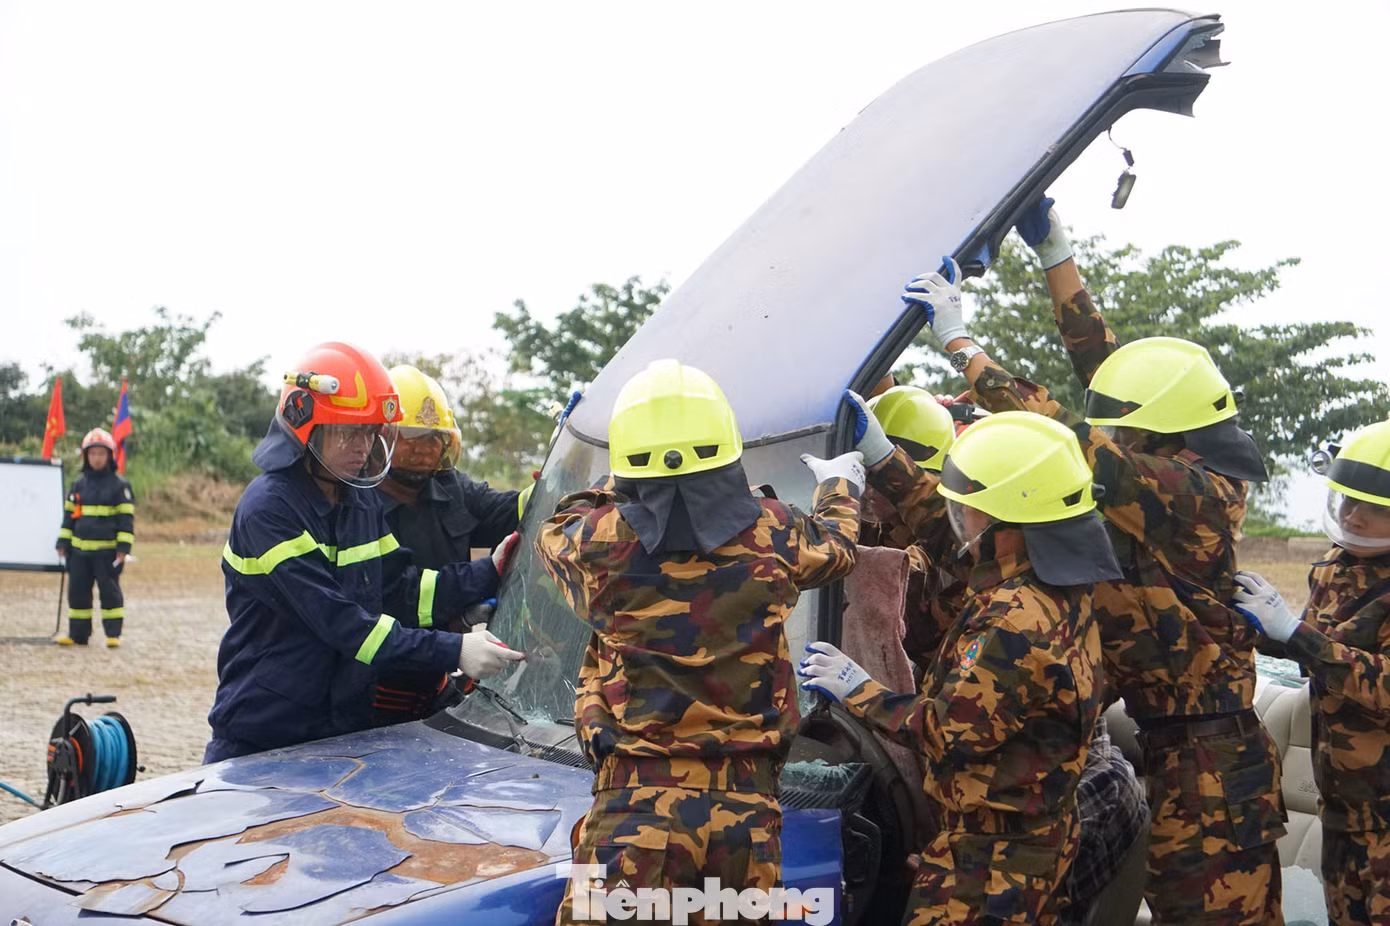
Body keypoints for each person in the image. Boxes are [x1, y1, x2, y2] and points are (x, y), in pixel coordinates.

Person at [902, 196, 1286, 923]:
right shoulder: (1167, 460)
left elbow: (1072, 439)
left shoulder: (1193, 492)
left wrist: (964, 345)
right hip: (1178, 748)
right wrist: (1055, 257)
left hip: (1209, 765)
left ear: (1158, 438)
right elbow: (1110, 376)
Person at [534, 358, 862, 925]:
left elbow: (555, 526)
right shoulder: (776, 530)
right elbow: (837, 546)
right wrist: (838, 482)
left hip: (632, 811)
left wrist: (611, 471)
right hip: (747, 815)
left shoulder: (595, 540)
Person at [800, 408, 1120, 925]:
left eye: (971, 511)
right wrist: (885, 458)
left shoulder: (1013, 618)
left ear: (1008, 525)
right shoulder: (1059, 586)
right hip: (1023, 846)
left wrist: (859, 689)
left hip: (990, 864)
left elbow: (949, 732)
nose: (960, 521)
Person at [205, 342, 524, 763]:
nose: (363, 447)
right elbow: (345, 625)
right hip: (265, 736)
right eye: (348, 431)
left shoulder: (356, 497)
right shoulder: (269, 510)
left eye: (372, 432)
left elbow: (401, 591)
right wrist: (454, 650)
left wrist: (488, 572)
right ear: (305, 425)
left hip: (344, 729)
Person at [1233, 419, 1390, 925]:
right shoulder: (1334, 566)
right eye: (1347, 498)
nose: (1353, 515)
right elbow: (1314, 654)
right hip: (1343, 805)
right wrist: (1259, 623)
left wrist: (1295, 634)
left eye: (1374, 506)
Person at [370, 363, 526, 723]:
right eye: (411, 437)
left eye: (434, 438)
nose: (425, 449)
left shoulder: (450, 487)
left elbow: (510, 510)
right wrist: (485, 575)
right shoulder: (357, 506)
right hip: (373, 691)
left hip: (437, 681)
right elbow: (399, 596)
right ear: (382, 438)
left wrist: (558, 477)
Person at [54, 427, 135, 647]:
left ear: (110, 456)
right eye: (92, 454)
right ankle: (78, 635)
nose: (97, 458)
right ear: (86, 456)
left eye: (101, 454)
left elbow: (126, 520)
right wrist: (63, 541)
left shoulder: (120, 486)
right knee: (78, 593)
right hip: (79, 553)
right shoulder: (78, 484)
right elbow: (69, 517)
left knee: (110, 593)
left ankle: (113, 635)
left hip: (107, 553)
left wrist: (123, 547)